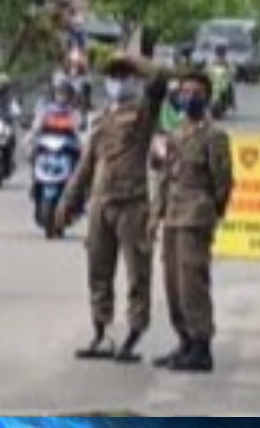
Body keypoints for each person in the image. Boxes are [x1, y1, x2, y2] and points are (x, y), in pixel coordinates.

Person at [58, 52, 170, 364]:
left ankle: (134, 332)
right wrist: (68, 201)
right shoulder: (101, 119)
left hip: (132, 204)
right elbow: (86, 164)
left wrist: (133, 61)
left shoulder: (143, 114)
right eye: (113, 77)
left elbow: (160, 78)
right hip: (101, 203)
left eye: (124, 77)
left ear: (134, 81)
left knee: (137, 273)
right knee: (98, 271)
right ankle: (100, 332)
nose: (117, 82)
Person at [150, 69, 234, 373]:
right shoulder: (176, 134)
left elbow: (223, 181)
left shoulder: (214, 136)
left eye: (196, 92)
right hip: (172, 215)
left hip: (196, 217)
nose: (189, 98)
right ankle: (184, 340)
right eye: (185, 92)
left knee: (192, 284)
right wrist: (155, 215)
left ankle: (201, 346)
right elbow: (164, 177)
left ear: (207, 97)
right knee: (172, 284)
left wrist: (212, 212)